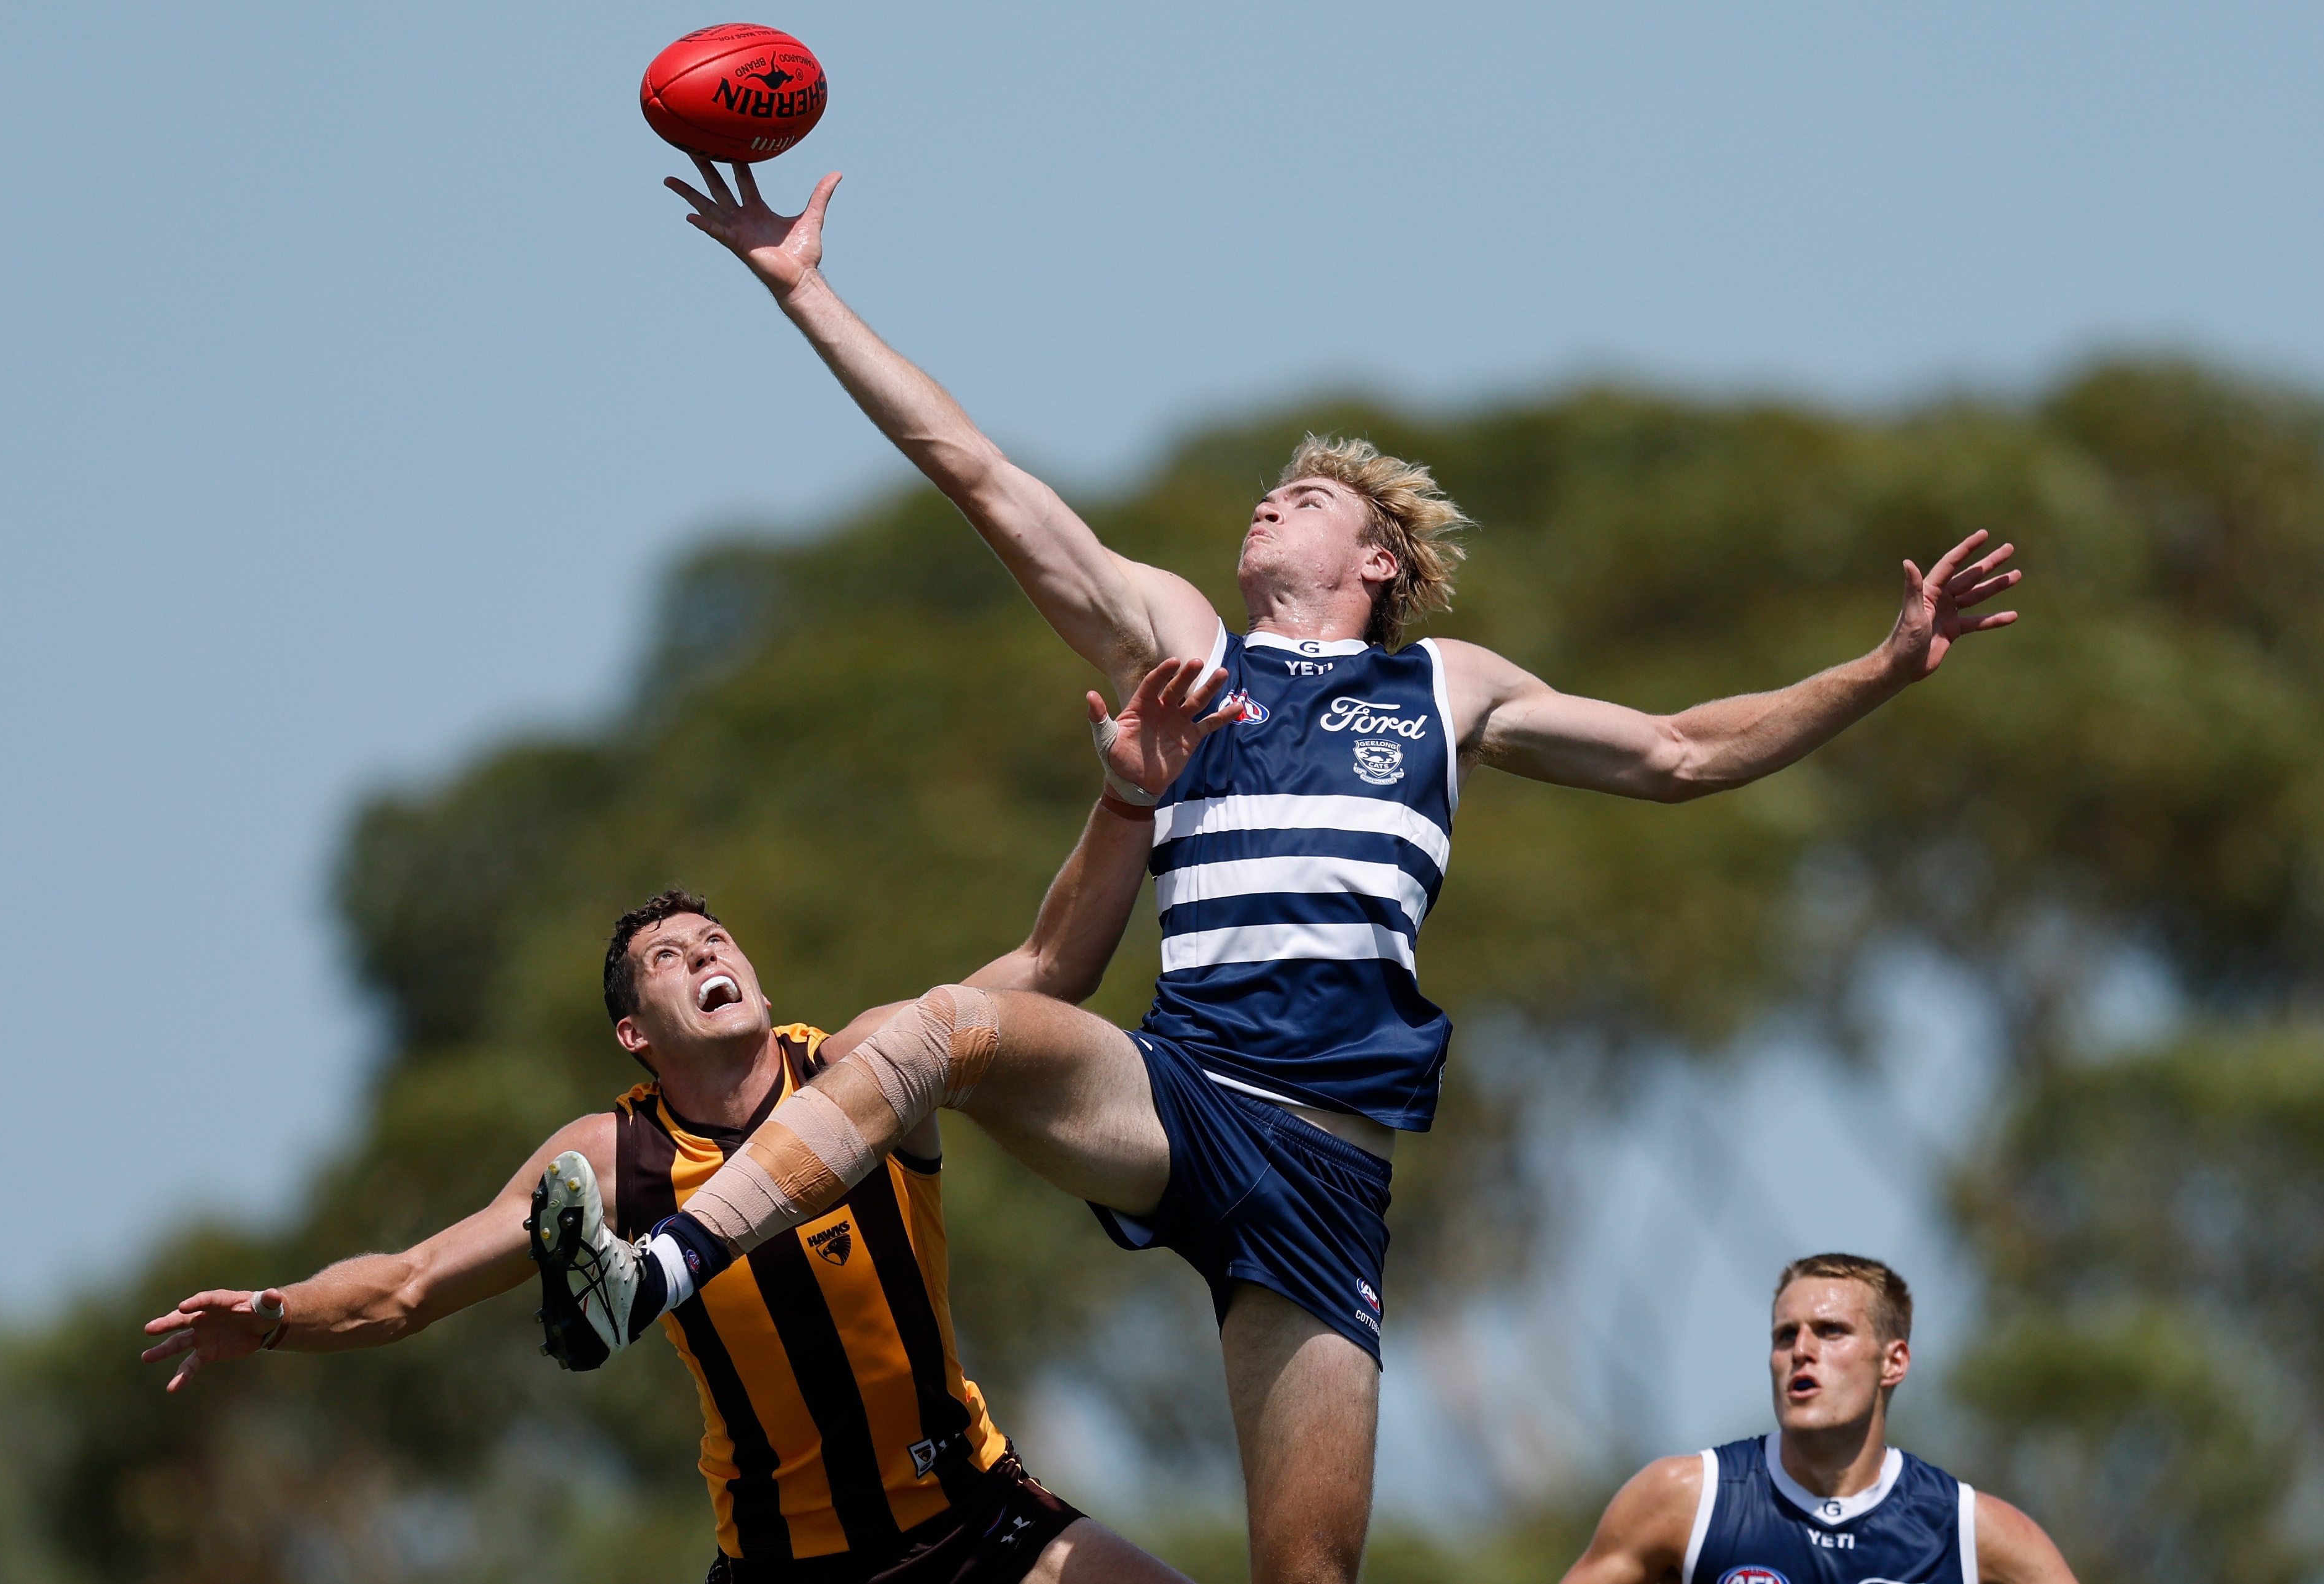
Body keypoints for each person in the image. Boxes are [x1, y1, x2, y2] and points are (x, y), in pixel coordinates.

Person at [633, 158, 2027, 1584]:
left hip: (1326, 1168)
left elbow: (1681, 750)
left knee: (1309, 1575)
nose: (1265, 510)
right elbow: (980, 473)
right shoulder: (1185, 643)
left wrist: (1883, 667)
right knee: (944, 1029)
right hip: (1179, 1093)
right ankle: (663, 1265)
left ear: (1377, 560)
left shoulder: (1449, 687)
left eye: (1300, 501)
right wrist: (804, 290)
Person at [140, 660, 1241, 1584]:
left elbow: (1053, 966)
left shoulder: (866, 1065)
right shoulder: (609, 1158)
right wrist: (276, 1314)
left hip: (974, 1521)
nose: (706, 954)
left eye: (715, 940)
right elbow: (413, 1282)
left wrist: (1126, 800)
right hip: (783, 1565)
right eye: (668, 959)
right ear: (635, 1034)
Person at [1558, 1254, 2078, 1584]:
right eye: (1786, 1335)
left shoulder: (1970, 1531)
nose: (1802, 1351)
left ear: (1893, 1362)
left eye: (1830, 1332)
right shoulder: (1684, 1500)